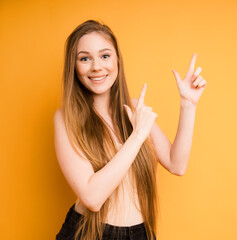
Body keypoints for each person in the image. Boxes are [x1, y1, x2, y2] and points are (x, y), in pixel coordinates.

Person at [54, 20, 207, 240]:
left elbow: (177, 164)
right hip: (90, 233)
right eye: (85, 58)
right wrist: (136, 136)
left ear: (117, 60)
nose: (96, 66)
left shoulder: (135, 108)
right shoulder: (65, 118)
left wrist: (188, 104)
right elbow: (92, 197)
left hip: (140, 234)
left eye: (105, 56)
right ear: (74, 67)